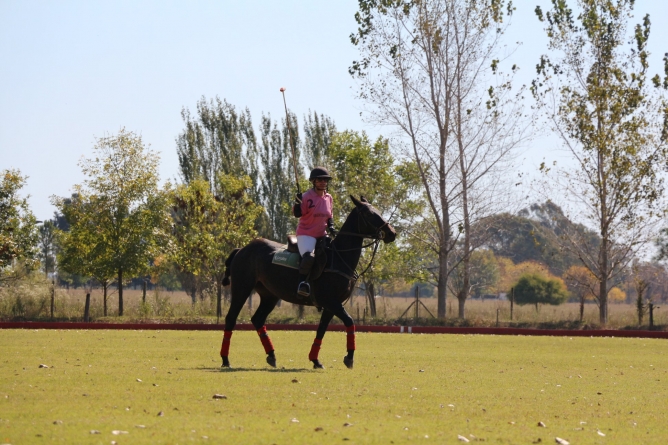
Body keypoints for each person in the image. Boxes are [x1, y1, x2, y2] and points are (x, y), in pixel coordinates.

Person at [292, 167, 337, 297]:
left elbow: (330, 216)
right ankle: (302, 283)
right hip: (306, 234)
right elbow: (297, 214)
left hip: (322, 234)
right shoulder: (306, 197)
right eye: (320, 180)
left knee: (333, 254)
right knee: (309, 258)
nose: (323, 182)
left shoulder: (329, 198)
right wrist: (297, 203)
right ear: (314, 181)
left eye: (325, 180)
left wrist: (332, 227)